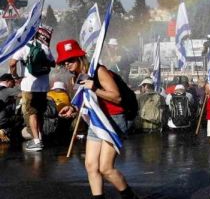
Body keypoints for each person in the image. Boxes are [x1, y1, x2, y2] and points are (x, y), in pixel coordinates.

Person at [56, 39, 138, 199]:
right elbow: (84, 100)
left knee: (106, 168)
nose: (67, 64)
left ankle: (130, 197)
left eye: (70, 59)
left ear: (80, 57)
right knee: (90, 165)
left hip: (113, 119)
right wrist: (73, 108)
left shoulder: (99, 71)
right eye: (64, 62)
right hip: (96, 119)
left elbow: (117, 97)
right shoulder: (76, 78)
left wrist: (94, 88)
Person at [8, 25, 55, 151]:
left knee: (32, 113)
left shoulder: (24, 47)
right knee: (40, 113)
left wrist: (15, 76)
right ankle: (40, 138)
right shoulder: (45, 48)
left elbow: (12, 63)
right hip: (43, 86)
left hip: (29, 86)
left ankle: (36, 141)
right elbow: (53, 64)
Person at [0, 73, 20, 143]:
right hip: (3, 121)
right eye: (13, 82)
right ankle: (4, 131)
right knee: (20, 118)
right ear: (8, 81)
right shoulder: (7, 90)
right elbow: (23, 94)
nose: (14, 85)